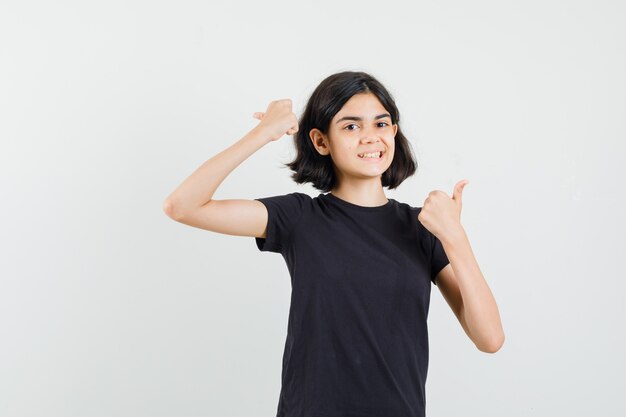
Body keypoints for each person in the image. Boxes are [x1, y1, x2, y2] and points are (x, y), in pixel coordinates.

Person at [163, 70, 505, 417]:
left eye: (381, 124)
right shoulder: (299, 218)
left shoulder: (422, 228)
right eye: (351, 127)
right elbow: (183, 206)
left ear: (394, 133)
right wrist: (262, 133)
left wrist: (454, 237)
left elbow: (489, 339)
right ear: (321, 141)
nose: (371, 138)